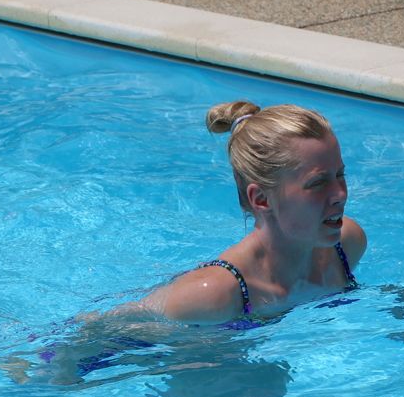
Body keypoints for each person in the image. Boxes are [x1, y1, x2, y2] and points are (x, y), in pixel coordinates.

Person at [138, 100, 367, 325]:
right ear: (261, 199)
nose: (340, 194)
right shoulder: (214, 295)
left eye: (340, 175)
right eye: (317, 183)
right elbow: (122, 335)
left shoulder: (347, 245)